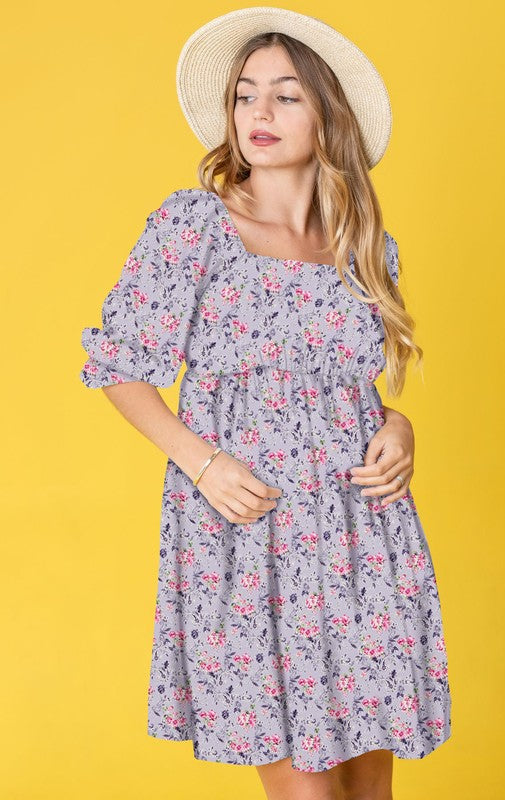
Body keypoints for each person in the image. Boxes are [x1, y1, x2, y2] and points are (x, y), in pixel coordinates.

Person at [79, 7, 452, 800]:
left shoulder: (364, 244)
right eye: (246, 95)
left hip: (361, 534)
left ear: (327, 113)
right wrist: (201, 462)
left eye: (285, 96)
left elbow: (352, 386)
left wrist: (399, 423)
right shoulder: (195, 226)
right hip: (250, 534)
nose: (258, 113)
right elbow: (116, 362)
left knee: (370, 791)